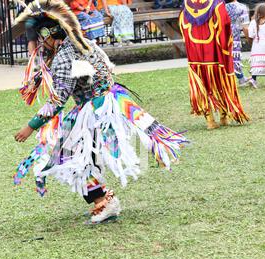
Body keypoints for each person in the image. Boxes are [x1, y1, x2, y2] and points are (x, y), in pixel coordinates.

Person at [13, 0, 188, 224]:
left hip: (95, 110)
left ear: (49, 34)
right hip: (105, 102)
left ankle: (103, 201)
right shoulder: (83, 43)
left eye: (40, 38)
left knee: (71, 158)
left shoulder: (65, 58)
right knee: (75, 157)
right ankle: (103, 197)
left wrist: (30, 127)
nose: (39, 44)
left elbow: (57, 101)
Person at [179, 0, 250, 129]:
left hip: (195, 55)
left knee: (202, 85)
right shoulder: (217, 5)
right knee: (219, 83)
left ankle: (210, 120)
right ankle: (223, 117)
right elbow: (224, 29)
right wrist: (225, 50)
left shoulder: (186, 6)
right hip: (214, 53)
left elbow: (183, 29)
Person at [226, 0, 252, 86]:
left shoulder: (219, 7)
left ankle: (224, 80)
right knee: (235, 56)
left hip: (220, 34)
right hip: (234, 33)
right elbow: (245, 27)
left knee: (222, 57)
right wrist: (249, 39)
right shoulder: (241, 7)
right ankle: (241, 78)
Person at [248, 3, 265, 88]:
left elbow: (250, 35)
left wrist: (251, 43)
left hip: (257, 45)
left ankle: (253, 79)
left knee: (256, 62)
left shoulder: (252, 23)